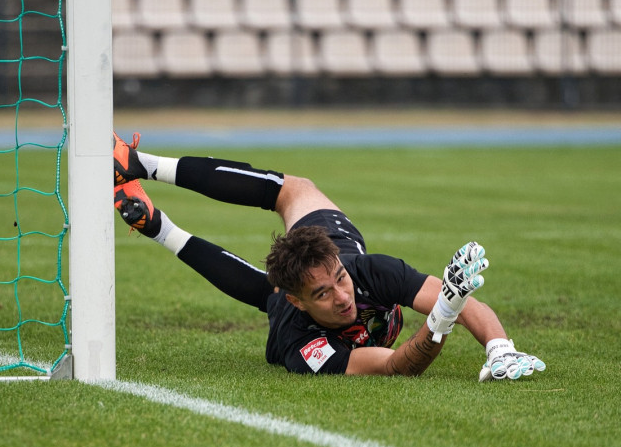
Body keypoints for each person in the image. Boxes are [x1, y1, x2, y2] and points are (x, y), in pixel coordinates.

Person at [112, 132, 546, 380]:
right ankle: (158, 226)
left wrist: (498, 347)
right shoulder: (303, 344)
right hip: (286, 306)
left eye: (339, 280)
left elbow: (460, 298)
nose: (343, 296)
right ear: (300, 301)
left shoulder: (364, 271)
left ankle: (141, 165)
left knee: (293, 189)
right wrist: (443, 318)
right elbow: (397, 367)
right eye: (324, 293)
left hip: (332, 242)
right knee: (264, 294)